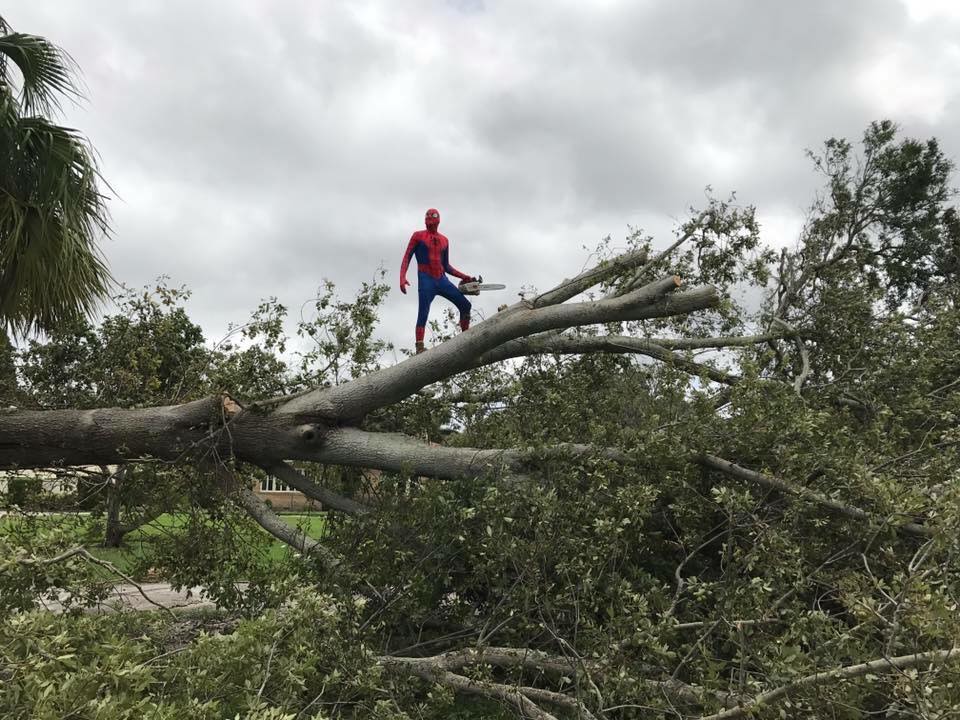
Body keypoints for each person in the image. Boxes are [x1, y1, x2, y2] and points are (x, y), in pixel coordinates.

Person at [400, 208, 476, 353]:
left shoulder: (444, 240)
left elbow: (446, 265)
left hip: (442, 279)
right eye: (427, 215)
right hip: (426, 279)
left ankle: (466, 337)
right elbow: (407, 256)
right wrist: (402, 277)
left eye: (432, 215)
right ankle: (419, 347)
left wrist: (464, 276)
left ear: (438, 219)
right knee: (423, 313)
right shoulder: (418, 236)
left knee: (465, 305)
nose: (429, 218)